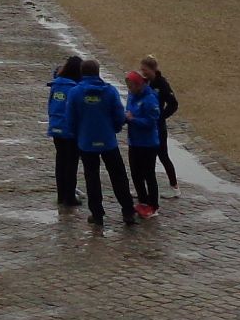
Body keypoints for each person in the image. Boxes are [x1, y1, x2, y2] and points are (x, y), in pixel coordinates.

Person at [68, 58, 136, 228]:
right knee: (119, 176)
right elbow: (119, 115)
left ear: (82, 73)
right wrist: (114, 129)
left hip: (86, 142)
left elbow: (70, 119)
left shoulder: (75, 93)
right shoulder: (110, 91)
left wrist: (78, 134)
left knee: (92, 178)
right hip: (108, 141)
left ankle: (97, 213)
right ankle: (128, 210)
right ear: (98, 72)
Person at [45, 55, 85, 208]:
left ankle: (61, 194)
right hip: (70, 129)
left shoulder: (56, 84)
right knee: (71, 163)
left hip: (56, 127)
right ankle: (69, 197)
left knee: (60, 162)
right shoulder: (75, 88)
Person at [123, 71, 164, 219]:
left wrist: (132, 119)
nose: (129, 88)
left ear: (139, 84)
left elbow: (151, 122)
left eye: (131, 85)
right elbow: (127, 112)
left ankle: (153, 205)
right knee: (135, 174)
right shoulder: (132, 96)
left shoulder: (150, 99)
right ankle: (143, 200)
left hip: (148, 144)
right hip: (134, 142)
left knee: (149, 174)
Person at [140, 56, 180, 196]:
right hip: (146, 125)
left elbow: (173, 104)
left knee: (162, 155)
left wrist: (161, 116)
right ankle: (142, 186)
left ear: (152, 69)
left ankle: (174, 186)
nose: (142, 72)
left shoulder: (162, 84)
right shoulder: (145, 82)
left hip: (158, 127)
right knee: (144, 156)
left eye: (144, 70)